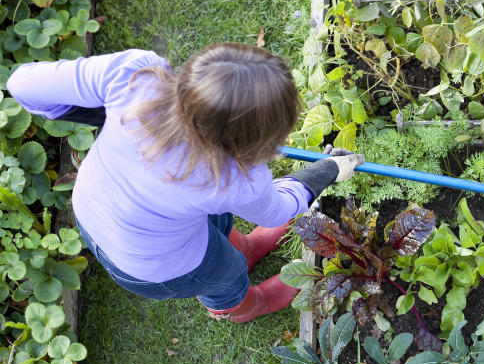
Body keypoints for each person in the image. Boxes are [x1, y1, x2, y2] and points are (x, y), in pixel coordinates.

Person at [6, 44, 364, 323]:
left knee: (208, 222)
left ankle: (246, 248)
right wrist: (328, 170)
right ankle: (245, 305)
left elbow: (20, 85)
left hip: (94, 209)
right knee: (224, 275)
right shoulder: (235, 177)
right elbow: (279, 210)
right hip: (150, 264)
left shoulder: (133, 75)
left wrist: (107, 114)